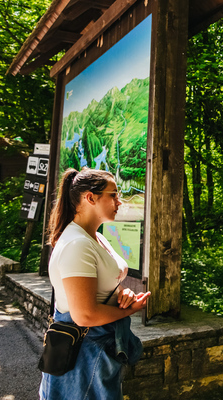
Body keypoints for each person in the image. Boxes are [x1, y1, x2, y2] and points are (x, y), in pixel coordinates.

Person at [39, 167, 150, 400]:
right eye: (113, 194)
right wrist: (131, 309)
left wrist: (123, 293)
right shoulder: (77, 244)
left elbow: (104, 283)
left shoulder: (95, 236)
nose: (120, 201)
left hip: (96, 348)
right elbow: (85, 315)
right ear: (90, 197)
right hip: (84, 351)